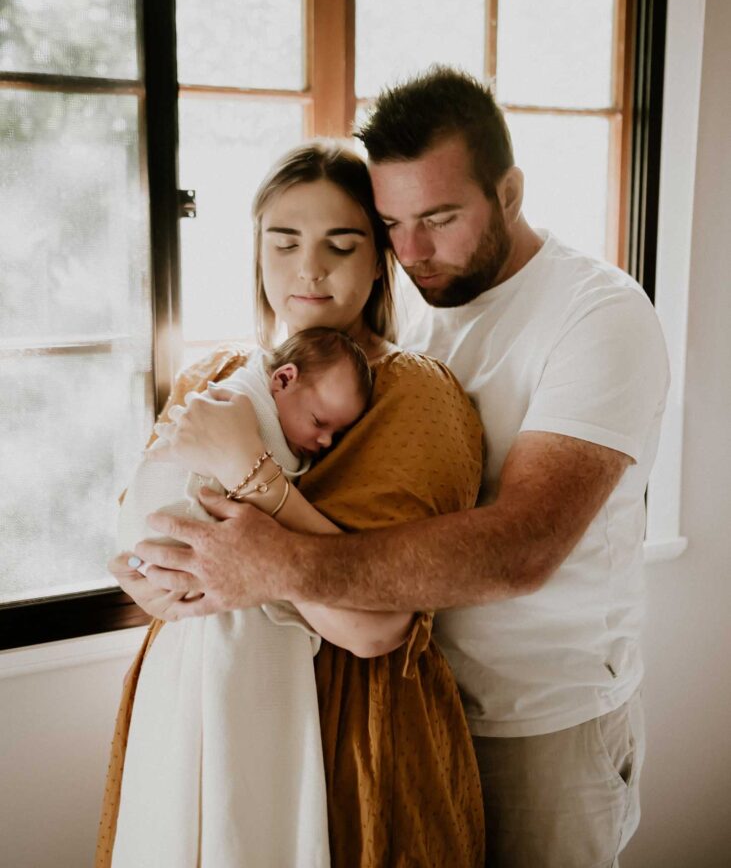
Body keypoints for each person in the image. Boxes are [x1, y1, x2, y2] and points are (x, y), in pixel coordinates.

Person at [113, 67, 670, 868]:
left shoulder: (597, 317)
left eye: (439, 218)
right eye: (391, 224)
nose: (410, 251)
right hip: (404, 703)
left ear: (508, 192)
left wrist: (274, 560)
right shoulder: (404, 313)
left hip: (535, 715)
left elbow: (523, 547)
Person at [98, 140, 485, 868]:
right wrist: (151, 576)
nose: (308, 268)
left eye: (340, 245)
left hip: (351, 723)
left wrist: (255, 482)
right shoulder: (214, 372)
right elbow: (146, 536)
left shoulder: (415, 394)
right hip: (196, 703)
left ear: (380, 259)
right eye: (284, 243)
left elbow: (372, 631)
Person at [110, 327, 371, 868]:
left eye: (336, 436)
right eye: (320, 424)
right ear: (281, 379)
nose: (322, 445)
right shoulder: (239, 401)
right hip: (187, 598)